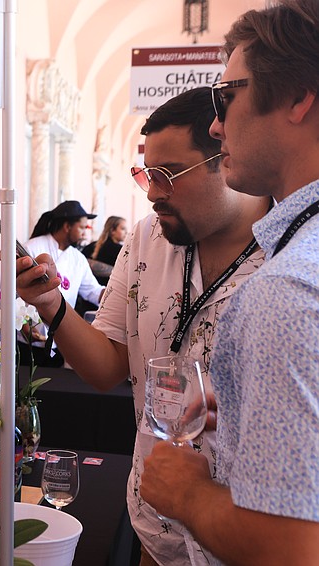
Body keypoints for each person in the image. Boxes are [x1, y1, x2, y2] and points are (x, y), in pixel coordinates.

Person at [15, 87, 271, 565]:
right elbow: (108, 366)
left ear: (226, 159)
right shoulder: (148, 238)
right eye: (146, 174)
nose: (152, 192)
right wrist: (51, 305)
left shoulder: (287, 259)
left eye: (168, 175)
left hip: (248, 540)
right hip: (156, 528)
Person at [140, 1, 319, 563]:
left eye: (226, 97)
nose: (217, 125)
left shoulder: (286, 290)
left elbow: (291, 549)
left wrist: (189, 492)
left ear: (298, 98)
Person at [22, 200, 105, 366]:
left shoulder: (78, 258)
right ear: (67, 226)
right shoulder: (33, 248)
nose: (84, 233)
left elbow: (93, 291)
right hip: (28, 342)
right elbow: (13, 293)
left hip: (61, 341)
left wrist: (119, 296)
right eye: (81, 227)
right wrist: (24, 325)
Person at [81, 215, 127, 285]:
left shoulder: (91, 246)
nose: (126, 232)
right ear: (112, 231)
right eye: (123, 229)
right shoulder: (120, 250)